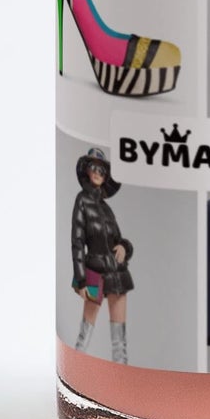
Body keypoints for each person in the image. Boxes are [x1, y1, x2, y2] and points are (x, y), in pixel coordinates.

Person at [69, 147, 135, 365]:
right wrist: (80, 280)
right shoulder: (81, 201)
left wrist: (124, 247)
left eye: (102, 170)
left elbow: (119, 239)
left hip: (117, 274)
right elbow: (77, 242)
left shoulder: (107, 209)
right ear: (87, 171)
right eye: (93, 168)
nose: (98, 173)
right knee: (85, 333)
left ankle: (122, 379)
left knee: (120, 341)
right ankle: (76, 371)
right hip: (94, 273)